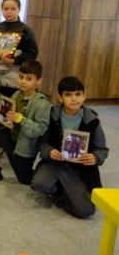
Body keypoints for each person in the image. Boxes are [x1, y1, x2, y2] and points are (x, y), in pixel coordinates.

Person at [30, 77, 108, 219]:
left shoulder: (93, 121)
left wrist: (95, 157)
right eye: (68, 94)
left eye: (78, 94)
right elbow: (41, 142)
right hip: (55, 163)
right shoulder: (51, 115)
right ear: (60, 97)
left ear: (84, 96)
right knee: (39, 184)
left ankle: (67, 191)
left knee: (85, 211)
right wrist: (49, 152)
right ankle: (61, 189)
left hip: (79, 169)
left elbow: (102, 150)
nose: (74, 99)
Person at [0, 60, 51, 184]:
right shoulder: (16, 94)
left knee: (25, 180)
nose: (23, 81)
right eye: (21, 77)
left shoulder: (42, 103)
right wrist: (1, 112)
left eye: (29, 79)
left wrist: (21, 119)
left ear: (38, 81)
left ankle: (44, 169)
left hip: (24, 146)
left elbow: (40, 130)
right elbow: (8, 119)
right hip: (9, 136)